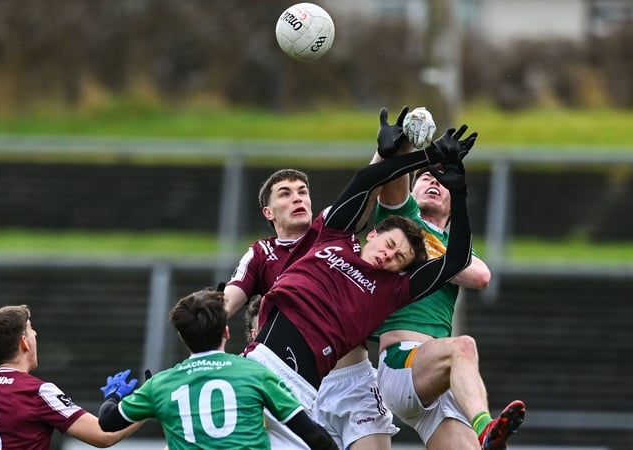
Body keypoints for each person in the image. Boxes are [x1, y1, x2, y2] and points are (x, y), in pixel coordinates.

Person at [242, 109, 477, 449]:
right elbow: (366, 183)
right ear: (374, 234)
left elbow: (454, 259)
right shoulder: (303, 246)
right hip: (277, 374)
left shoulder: (378, 276)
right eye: (391, 246)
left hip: (342, 382)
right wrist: (407, 154)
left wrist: (458, 192)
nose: (389, 256)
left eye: (399, 260)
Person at [371, 107, 525, 450]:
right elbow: (392, 184)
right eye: (426, 177)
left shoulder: (453, 246)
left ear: (453, 206)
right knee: (464, 346)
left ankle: (484, 438)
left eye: (442, 180)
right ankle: (486, 427)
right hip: (402, 362)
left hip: (437, 375)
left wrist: (430, 253)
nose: (433, 182)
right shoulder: (403, 221)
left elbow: (481, 276)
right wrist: (404, 149)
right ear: (413, 190)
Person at [225, 164, 401, 450]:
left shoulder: (336, 235)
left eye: (302, 192)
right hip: (287, 380)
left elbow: (365, 191)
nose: (297, 198)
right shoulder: (262, 253)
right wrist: (207, 332)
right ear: (268, 213)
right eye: (285, 193)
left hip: (352, 380)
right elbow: (229, 298)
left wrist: (386, 154)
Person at [97, 289, 338, 450]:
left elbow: (107, 422)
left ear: (182, 336)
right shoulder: (256, 374)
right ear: (226, 332)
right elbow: (313, 435)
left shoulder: (160, 384)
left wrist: (113, 395)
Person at [0, 304, 141, 450]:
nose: (35, 333)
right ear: (24, 342)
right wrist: (147, 403)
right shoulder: (38, 392)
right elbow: (104, 435)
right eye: (30, 329)